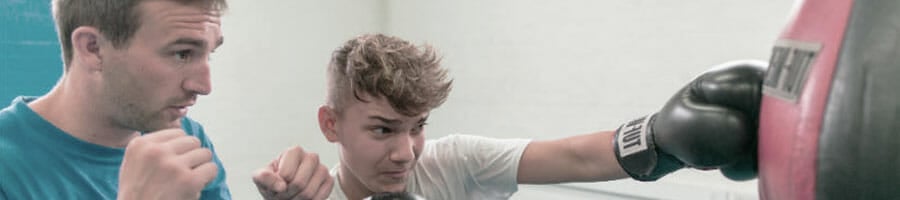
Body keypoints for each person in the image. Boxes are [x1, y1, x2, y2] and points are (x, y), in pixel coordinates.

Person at [252, 33, 764, 200]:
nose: (405, 152)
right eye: (383, 129)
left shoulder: (452, 163)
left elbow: (572, 157)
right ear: (330, 125)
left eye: (418, 126)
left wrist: (660, 138)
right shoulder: (310, 195)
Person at [0, 0, 231, 199]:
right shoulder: (8, 166)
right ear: (93, 48)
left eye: (209, 54)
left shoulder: (185, 139)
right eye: (183, 54)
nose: (204, 86)